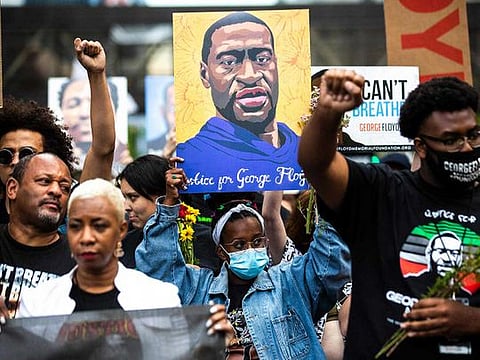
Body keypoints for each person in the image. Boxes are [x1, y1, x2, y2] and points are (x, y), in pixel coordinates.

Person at [298, 70, 480, 358]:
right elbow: (317, 164)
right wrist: (327, 113)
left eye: (473, 135)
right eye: (451, 140)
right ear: (420, 145)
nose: (467, 147)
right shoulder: (382, 193)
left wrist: (472, 320)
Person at [135, 164, 350, 359]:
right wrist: (170, 203)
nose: (250, 249)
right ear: (221, 252)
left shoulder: (290, 282)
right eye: (238, 245)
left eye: (257, 241)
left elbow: (330, 264)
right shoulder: (199, 289)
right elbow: (158, 270)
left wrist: (324, 185)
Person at [11, 178, 231, 358]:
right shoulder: (38, 302)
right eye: (76, 226)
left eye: (100, 226)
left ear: (121, 230)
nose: (87, 237)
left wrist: (207, 346)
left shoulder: (159, 297)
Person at [177, 11, 304, 192]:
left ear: (276, 64)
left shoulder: (306, 154)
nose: (249, 75)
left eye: (262, 59)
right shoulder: (190, 159)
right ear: (205, 74)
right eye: (229, 62)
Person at [0, 37, 116, 223]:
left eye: (27, 154)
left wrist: (96, 74)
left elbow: (103, 149)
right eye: (5, 155)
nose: (15, 161)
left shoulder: (67, 207)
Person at [0, 153, 75, 318]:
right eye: (44, 181)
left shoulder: (79, 260)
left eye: (65, 187)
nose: (56, 191)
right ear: (12, 189)